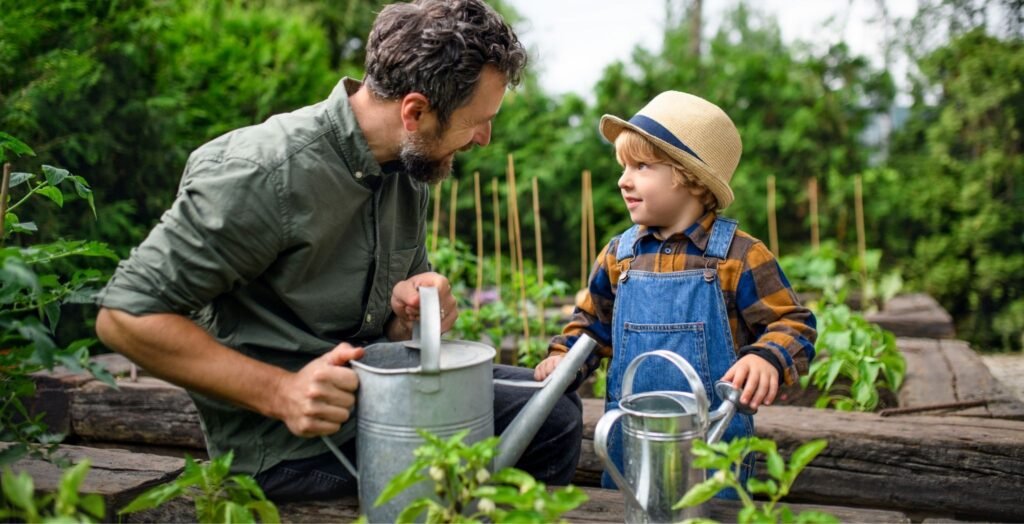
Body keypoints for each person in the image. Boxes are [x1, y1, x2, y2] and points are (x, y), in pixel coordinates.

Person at [95, 0, 582, 502]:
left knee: (550, 406)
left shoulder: (407, 170)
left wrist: (412, 312)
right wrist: (279, 393)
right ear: (415, 111)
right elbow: (125, 316)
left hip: (373, 397)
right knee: (550, 425)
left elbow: (386, 331)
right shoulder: (264, 173)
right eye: (478, 121)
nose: (484, 138)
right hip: (286, 445)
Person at [534, 91, 817, 492]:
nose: (623, 179)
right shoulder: (620, 256)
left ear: (691, 178)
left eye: (641, 166)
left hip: (715, 456)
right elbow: (592, 324)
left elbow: (795, 323)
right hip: (630, 449)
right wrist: (564, 359)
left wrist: (766, 358)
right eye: (624, 166)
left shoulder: (739, 256)